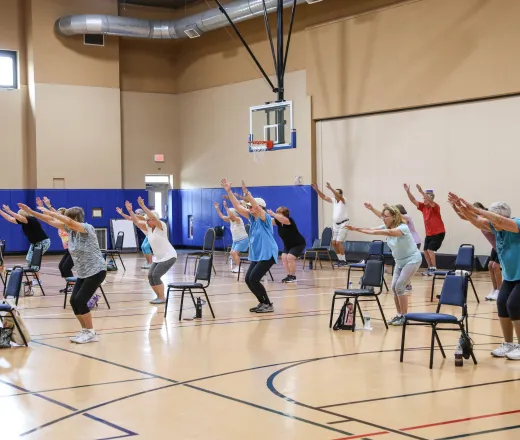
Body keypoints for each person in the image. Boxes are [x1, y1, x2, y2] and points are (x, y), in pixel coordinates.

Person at [19, 202, 106, 344]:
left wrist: (53, 213)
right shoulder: (70, 230)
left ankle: (91, 332)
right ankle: (85, 330)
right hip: (84, 272)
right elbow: (49, 220)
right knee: (73, 301)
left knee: (80, 300)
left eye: (65, 218)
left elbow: (67, 221)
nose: (61, 220)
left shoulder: (87, 228)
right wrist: (31, 212)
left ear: (74, 219)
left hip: (96, 270)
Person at [448, 193, 520, 360]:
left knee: (514, 304)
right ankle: (509, 344)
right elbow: (476, 221)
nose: (491, 224)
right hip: (511, 276)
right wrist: (462, 208)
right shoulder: (497, 227)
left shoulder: (515, 224)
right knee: (502, 303)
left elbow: (499, 221)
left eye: (493, 218)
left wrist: (475, 209)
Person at [346, 205, 422, 326]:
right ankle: (399, 315)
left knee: (400, 287)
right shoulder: (386, 227)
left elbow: (388, 232)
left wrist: (377, 231)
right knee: (394, 287)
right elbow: (371, 229)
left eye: (386, 216)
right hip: (399, 261)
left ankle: (405, 317)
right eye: (383, 216)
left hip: (412, 259)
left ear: (393, 216)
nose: (383, 219)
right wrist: (356, 229)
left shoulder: (403, 228)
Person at [221, 178, 278, 313]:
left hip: (267, 253)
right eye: (249, 207)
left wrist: (247, 194)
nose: (249, 208)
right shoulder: (251, 218)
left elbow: (256, 206)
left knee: (254, 278)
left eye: (251, 206)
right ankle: (262, 302)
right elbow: (237, 207)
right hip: (257, 254)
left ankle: (268, 304)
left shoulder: (265, 218)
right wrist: (229, 192)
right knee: (248, 279)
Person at [121, 198, 177, 305]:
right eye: (146, 220)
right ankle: (159, 296)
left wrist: (142, 206)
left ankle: (162, 297)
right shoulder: (148, 229)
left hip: (169, 256)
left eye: (149, 219)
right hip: (159, 258)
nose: (147, 221)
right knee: (150, 275)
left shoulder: (161, 226)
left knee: (156, 275)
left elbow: (152, 217)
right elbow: (136, 221)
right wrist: (130, 211)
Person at [451, 201, 502, 301]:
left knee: (495, 266)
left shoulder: (486, 219)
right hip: (495, 247)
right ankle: (494, 289)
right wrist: (454, 206)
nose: (471, 212)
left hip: (502, 246)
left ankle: (499, 290)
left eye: (474, 210)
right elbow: (463, 216)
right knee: (490, 266)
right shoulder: (477, 219)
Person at [365, 202, 422, 291]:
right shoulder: (392, 222)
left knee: (409, 263)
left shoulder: (406, 218)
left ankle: (407, 284)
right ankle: (405, 283)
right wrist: (372, 209)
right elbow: (382, 216)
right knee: (401, 263)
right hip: (400, 242)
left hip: (413, 242)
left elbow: (391, 217)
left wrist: (388, 208)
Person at [0, 204, 51, 291]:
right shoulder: (23, 221)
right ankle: (36, 279)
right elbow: (10, 219)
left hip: (43, 242)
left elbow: (20, 218)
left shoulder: (31, 220)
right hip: (34, 243)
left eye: (19, 214)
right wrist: (1, 212)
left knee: (34, 261)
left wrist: (9, 211)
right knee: (28, 259)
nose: (18, 216)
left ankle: (37, 280)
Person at [404, 184, 445, 275]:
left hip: (438, 232)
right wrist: (408, 191)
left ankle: (434, 269)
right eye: (424, 199)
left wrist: (421, 191)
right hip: (429, 234)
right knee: (425, 251)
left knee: (430, 250)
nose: (424, 200)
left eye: (426, 198)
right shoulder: (423, 207)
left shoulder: (435, 207)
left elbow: (429, 200)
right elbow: (413, 200)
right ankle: (430, 268)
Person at [311, 182, 349, 266]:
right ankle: (340, 260)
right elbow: (324, 197)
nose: (334, 194)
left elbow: (339, 197)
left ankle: (344, 261)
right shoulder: (334, 201)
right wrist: (316, 189)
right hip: (335, 224)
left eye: (336, 192)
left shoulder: (344, 200)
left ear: (340, 194)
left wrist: (331, 188)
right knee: (333, 242)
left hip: (344, 224)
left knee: (339, 242)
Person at [267, 206, 306, 283]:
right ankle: (289, 276)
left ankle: (293, 276)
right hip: (288, 245)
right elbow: (268, 220)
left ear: (284, 215)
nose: (277, 215)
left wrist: (273, 214)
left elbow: (282, 219)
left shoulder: (288, 220)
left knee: (290, 257)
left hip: (298, 244)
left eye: (279, 213)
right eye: (277, 213)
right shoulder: (278, 222)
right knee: (284, 257)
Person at [213, 200, 248, 273]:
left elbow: (231, 215)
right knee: (232, 253)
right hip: (236, 240)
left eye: (229, 213)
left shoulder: (238, 219)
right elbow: (222, 216)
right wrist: (217, 208)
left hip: (243, 239)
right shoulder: (230, 220)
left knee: (234, 253)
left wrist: (226, 207)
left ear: (234, 214)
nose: (228, 215)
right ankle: (238, 266)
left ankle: (239, 268)